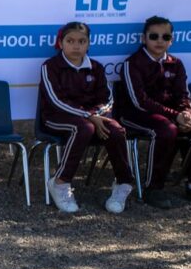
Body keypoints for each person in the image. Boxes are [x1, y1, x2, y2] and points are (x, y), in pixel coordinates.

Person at [38, 22, 134, 214]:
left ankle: (123, 184)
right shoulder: (50, 66)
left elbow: (107, 99)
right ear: (61, 43)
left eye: (82, 41)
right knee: (84, 128)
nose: (76, 46)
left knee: (115, 130)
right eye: (70, 41)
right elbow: (56, 100)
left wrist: (95, 115)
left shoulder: (96, 67)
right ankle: (60, 182)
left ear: (89, 44)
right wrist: (89, 117)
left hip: (93, 118)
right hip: (56, 118)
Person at [115, 16, 191, 207]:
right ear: (144, 39)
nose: (160, 41)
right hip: (133, 114)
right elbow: (140, 101)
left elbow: (183, 94)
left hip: (168, 115)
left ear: (172, 40)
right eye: (154, 36)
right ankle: (154, 188)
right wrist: (174, 116)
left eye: (165, 36)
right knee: (166, 130)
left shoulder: (176, 63)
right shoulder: (132, 63)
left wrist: (185, 113)